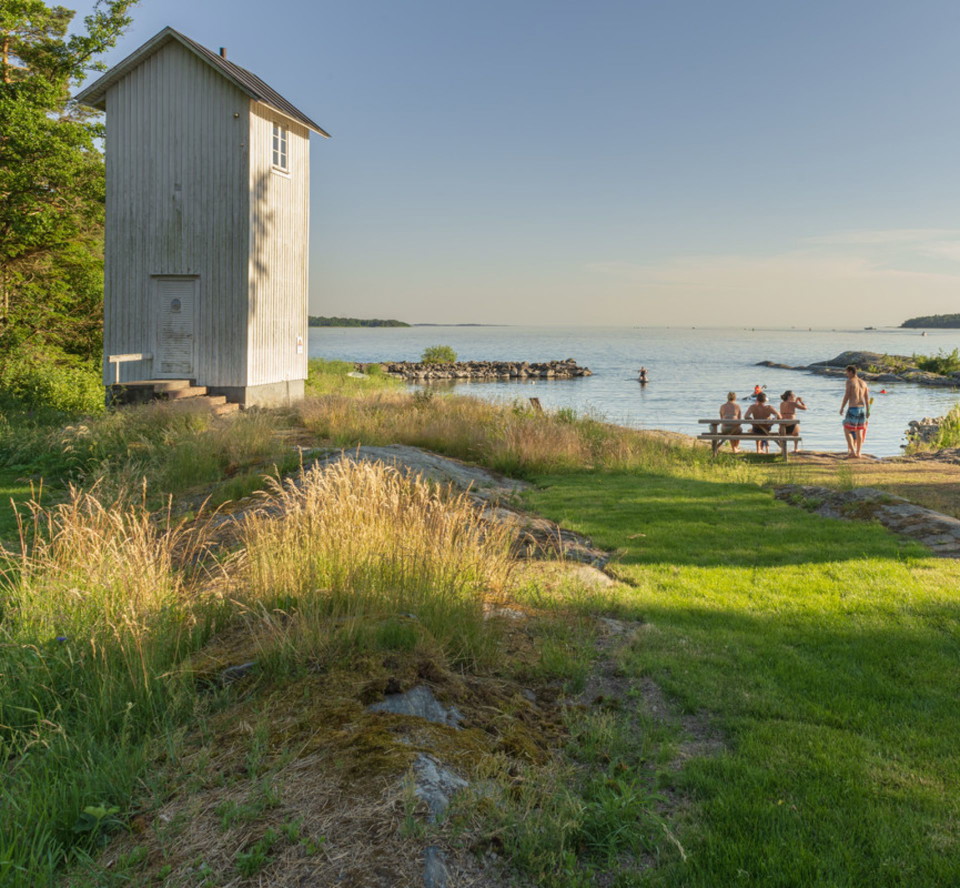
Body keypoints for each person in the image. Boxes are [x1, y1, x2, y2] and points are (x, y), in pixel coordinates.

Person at [840, 364, 870, 458]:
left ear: (851, 372)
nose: (846, 375)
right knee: (859, 431)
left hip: (853, 408)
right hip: (862, 409)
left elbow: (847, 395)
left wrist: (842, 407)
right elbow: (866, 398)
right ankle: (859, 452)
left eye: (847, 373)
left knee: (847, 429)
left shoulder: (850, 382)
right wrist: (868, 410)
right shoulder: (863, 383)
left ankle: (853, 452)